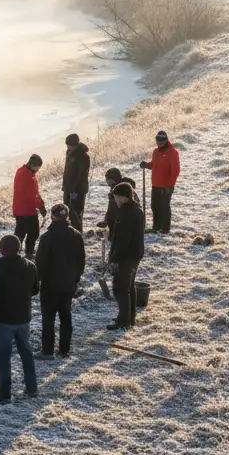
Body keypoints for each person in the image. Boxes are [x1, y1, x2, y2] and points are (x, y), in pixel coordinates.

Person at [0, 234, 40, 402]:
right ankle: (32, 388)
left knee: (4, 357)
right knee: (26, 353)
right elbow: (36, 290)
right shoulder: (31, 266)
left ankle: (4, 393)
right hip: (24, 319)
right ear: (19, 248)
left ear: (2, 251)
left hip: (4, 321)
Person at [34, 204, 86, 359]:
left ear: (53, 217)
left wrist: (37, 283)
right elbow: (81, 261)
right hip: (68, 284)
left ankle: (47, 351)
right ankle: (64, 349)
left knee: (48, 318)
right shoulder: (76, 235)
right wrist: (75, 279)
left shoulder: (46, 238)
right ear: (67, 217)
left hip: (50, 286)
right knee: (66, 317)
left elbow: (40, 264)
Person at [107, 182, 145, 331]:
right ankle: (129, 318)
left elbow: (122, 240)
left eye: (117, 197)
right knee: (129, 286)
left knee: (120, 288)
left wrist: (114, 259)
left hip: (126, 257)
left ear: (124, 197)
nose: (115, 200)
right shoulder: (136, 210)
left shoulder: (126, 214)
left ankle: (124, 321)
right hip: (135, 254)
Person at [141, 130, 181, 233]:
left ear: (166, 140)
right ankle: (156, 227)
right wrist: (146, 165)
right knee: (154, 206)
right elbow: (154, 164)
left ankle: (165, 229)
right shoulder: (156, 152)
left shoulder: (173, 153)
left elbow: (175, 171)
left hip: (166, 186)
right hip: (155, 184)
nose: (159, 144)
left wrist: (170, 185)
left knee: (164, 207)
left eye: (162, 141)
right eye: (158, 141)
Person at [13, 155, 46, 259]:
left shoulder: (22, 171)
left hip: (19, 208)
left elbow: (34, 192)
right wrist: (41, 207)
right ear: (33, 165)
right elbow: (31, 196)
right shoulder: (28, 177)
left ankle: (14, 253)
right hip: (26, 210)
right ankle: (28, 253)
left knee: (20, 232)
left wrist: (40, 199)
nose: (38, 170)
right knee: (33, 232)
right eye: (38, 168)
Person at [62, 134, 91, 232]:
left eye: (69, 145)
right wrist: (65, 186)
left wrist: (73, 189)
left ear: (75, 145)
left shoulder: (83, 156)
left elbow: (81, 175)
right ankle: (68, 232)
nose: (68, 147)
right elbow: (67, 171)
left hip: (77, 190)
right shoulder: (69, 153)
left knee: (76, 213)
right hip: (68, 188)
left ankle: (77, 233)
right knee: (67, 211)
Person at [101, 168, 140, 238]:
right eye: (108, 183)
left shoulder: (126, 191)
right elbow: (110, 208)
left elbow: (135, 207)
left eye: (111, 183)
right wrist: (106, 220)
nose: (110, 185)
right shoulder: (113, 191)